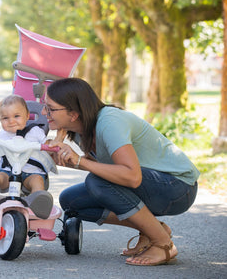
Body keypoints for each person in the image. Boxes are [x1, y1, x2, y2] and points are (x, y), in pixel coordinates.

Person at [44, 78, 199, 266]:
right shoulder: (78, 130)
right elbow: (103, 165)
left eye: (51, 108)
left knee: (97, 182)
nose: (45, 113)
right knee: (71, 201)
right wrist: (67, 160)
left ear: (74, 113)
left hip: (177, 187)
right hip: (153, 185)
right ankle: (154, 231)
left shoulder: (110, 122)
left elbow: (132, 177)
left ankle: (163, 245)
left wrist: (80, 160)